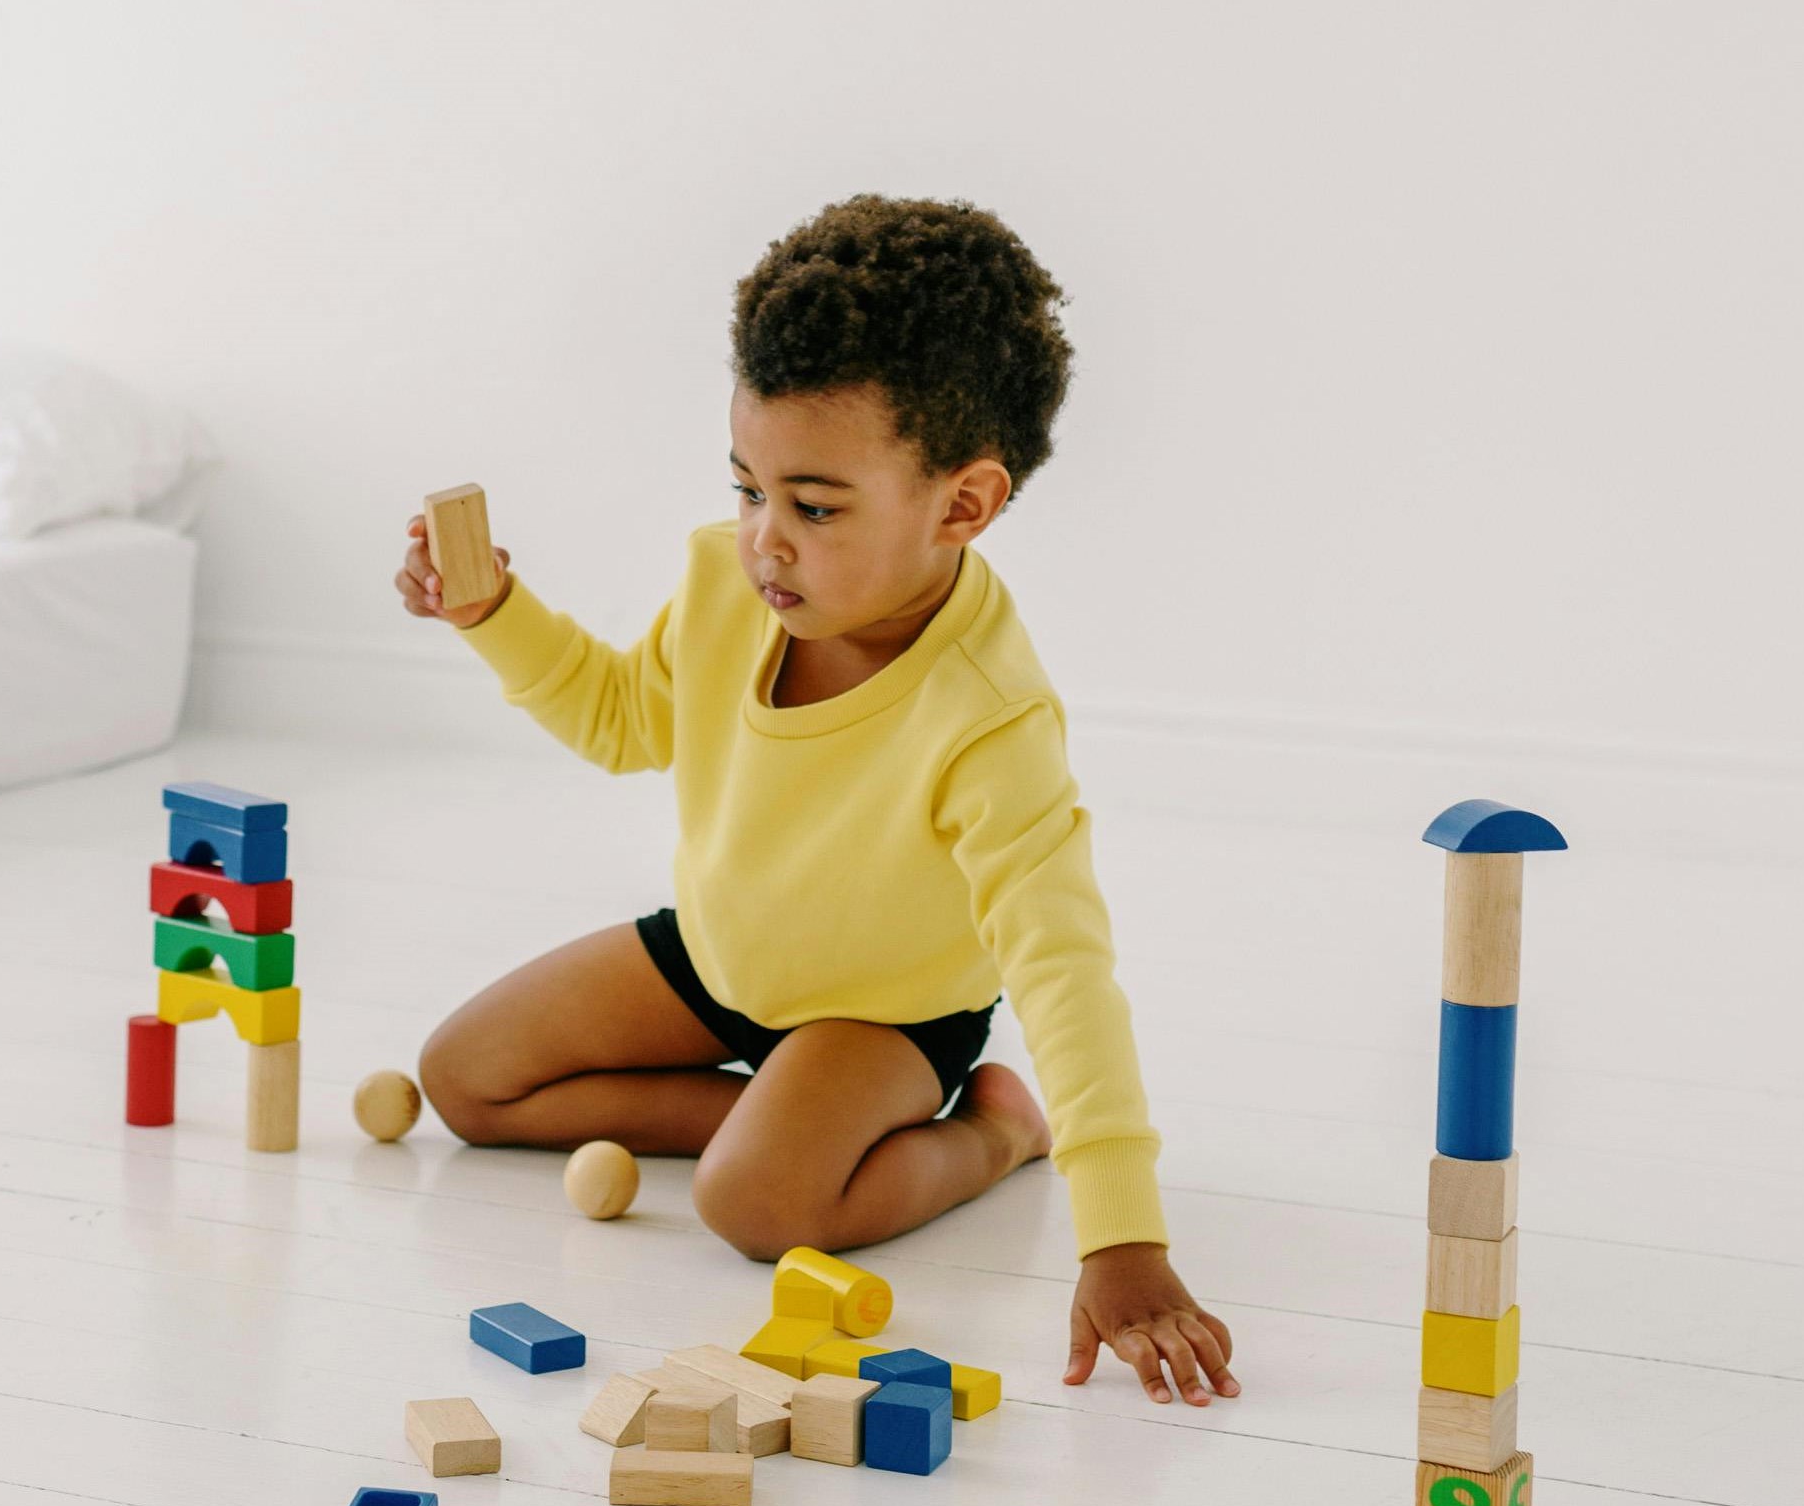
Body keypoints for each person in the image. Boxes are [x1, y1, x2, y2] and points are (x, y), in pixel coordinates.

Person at [404, 193, 1236, 1409]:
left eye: (814, 505)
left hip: (883, 1017)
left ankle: (991, 1134)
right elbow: (625, 718)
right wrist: (492, 615)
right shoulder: (725, 577)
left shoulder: (988, 715)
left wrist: (1122, 1239)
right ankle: (776, 1113)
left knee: (756, 1205)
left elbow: (1062, 966)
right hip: (722, 956)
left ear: (962, 504)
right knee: (464, 1079)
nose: (763, 542)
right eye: (747, 488)